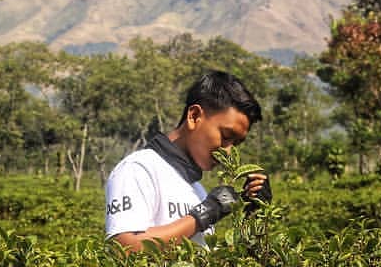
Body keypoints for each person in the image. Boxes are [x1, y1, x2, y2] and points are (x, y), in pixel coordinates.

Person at [104, 70, 271, 252]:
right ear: (194, 116)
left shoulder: (197, 189)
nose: (228, 151)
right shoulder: (139, 168)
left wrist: (252, 215)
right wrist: (206, 212)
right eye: (225, 136)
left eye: (236, 144)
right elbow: (126, 248)